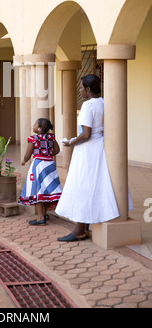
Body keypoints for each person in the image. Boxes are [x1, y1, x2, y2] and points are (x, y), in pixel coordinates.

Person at [55, 74, 120, 242]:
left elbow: (86, 133)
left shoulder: (88, 105)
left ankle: (79, 230)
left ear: (88, 89)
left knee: (82, 185)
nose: (80, 90)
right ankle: (84, 226)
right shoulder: (104, 102)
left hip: (87, 150)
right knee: (96, 185)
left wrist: (70, 142)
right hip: (100, 147)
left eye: (82, 87)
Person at [19, 118, 62, 225]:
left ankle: (40, 217)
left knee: (37, 190)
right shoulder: (51, 137)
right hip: (50, 165)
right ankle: (44, 213)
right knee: (48, 189)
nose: (33, 125)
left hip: (38, 165)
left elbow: (28, 154)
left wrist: (24, 160)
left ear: (39, 128)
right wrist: (47, 155)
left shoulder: (33, 139)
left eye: (34, 124)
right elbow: (57, 150)